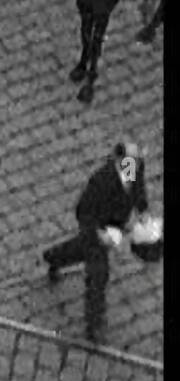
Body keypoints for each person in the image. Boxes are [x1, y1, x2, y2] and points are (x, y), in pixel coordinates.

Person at [43, 142, 148, 344]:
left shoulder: (134, 168)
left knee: (78, 249)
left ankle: (53, 257)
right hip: (96, 230)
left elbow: (138, 190)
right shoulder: (100, 181)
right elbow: (83, 212)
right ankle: (94, 324)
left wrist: (142, 211)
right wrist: (98, 234)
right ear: (118, 160)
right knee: (98, 274)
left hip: (114, 225)